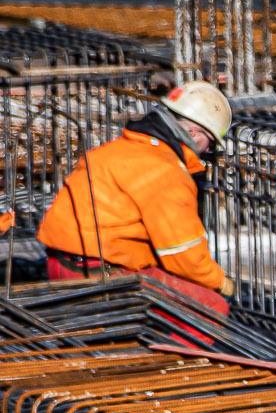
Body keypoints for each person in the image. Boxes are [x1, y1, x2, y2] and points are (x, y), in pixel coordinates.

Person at [37, 81, 234, 296]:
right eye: (211, 143)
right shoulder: (165, 171)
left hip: (61, 263)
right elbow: (183, 254)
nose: (208, 151)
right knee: (210, 304)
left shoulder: (119, 149)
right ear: (195, 133)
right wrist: (220, 282)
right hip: (102, 274)